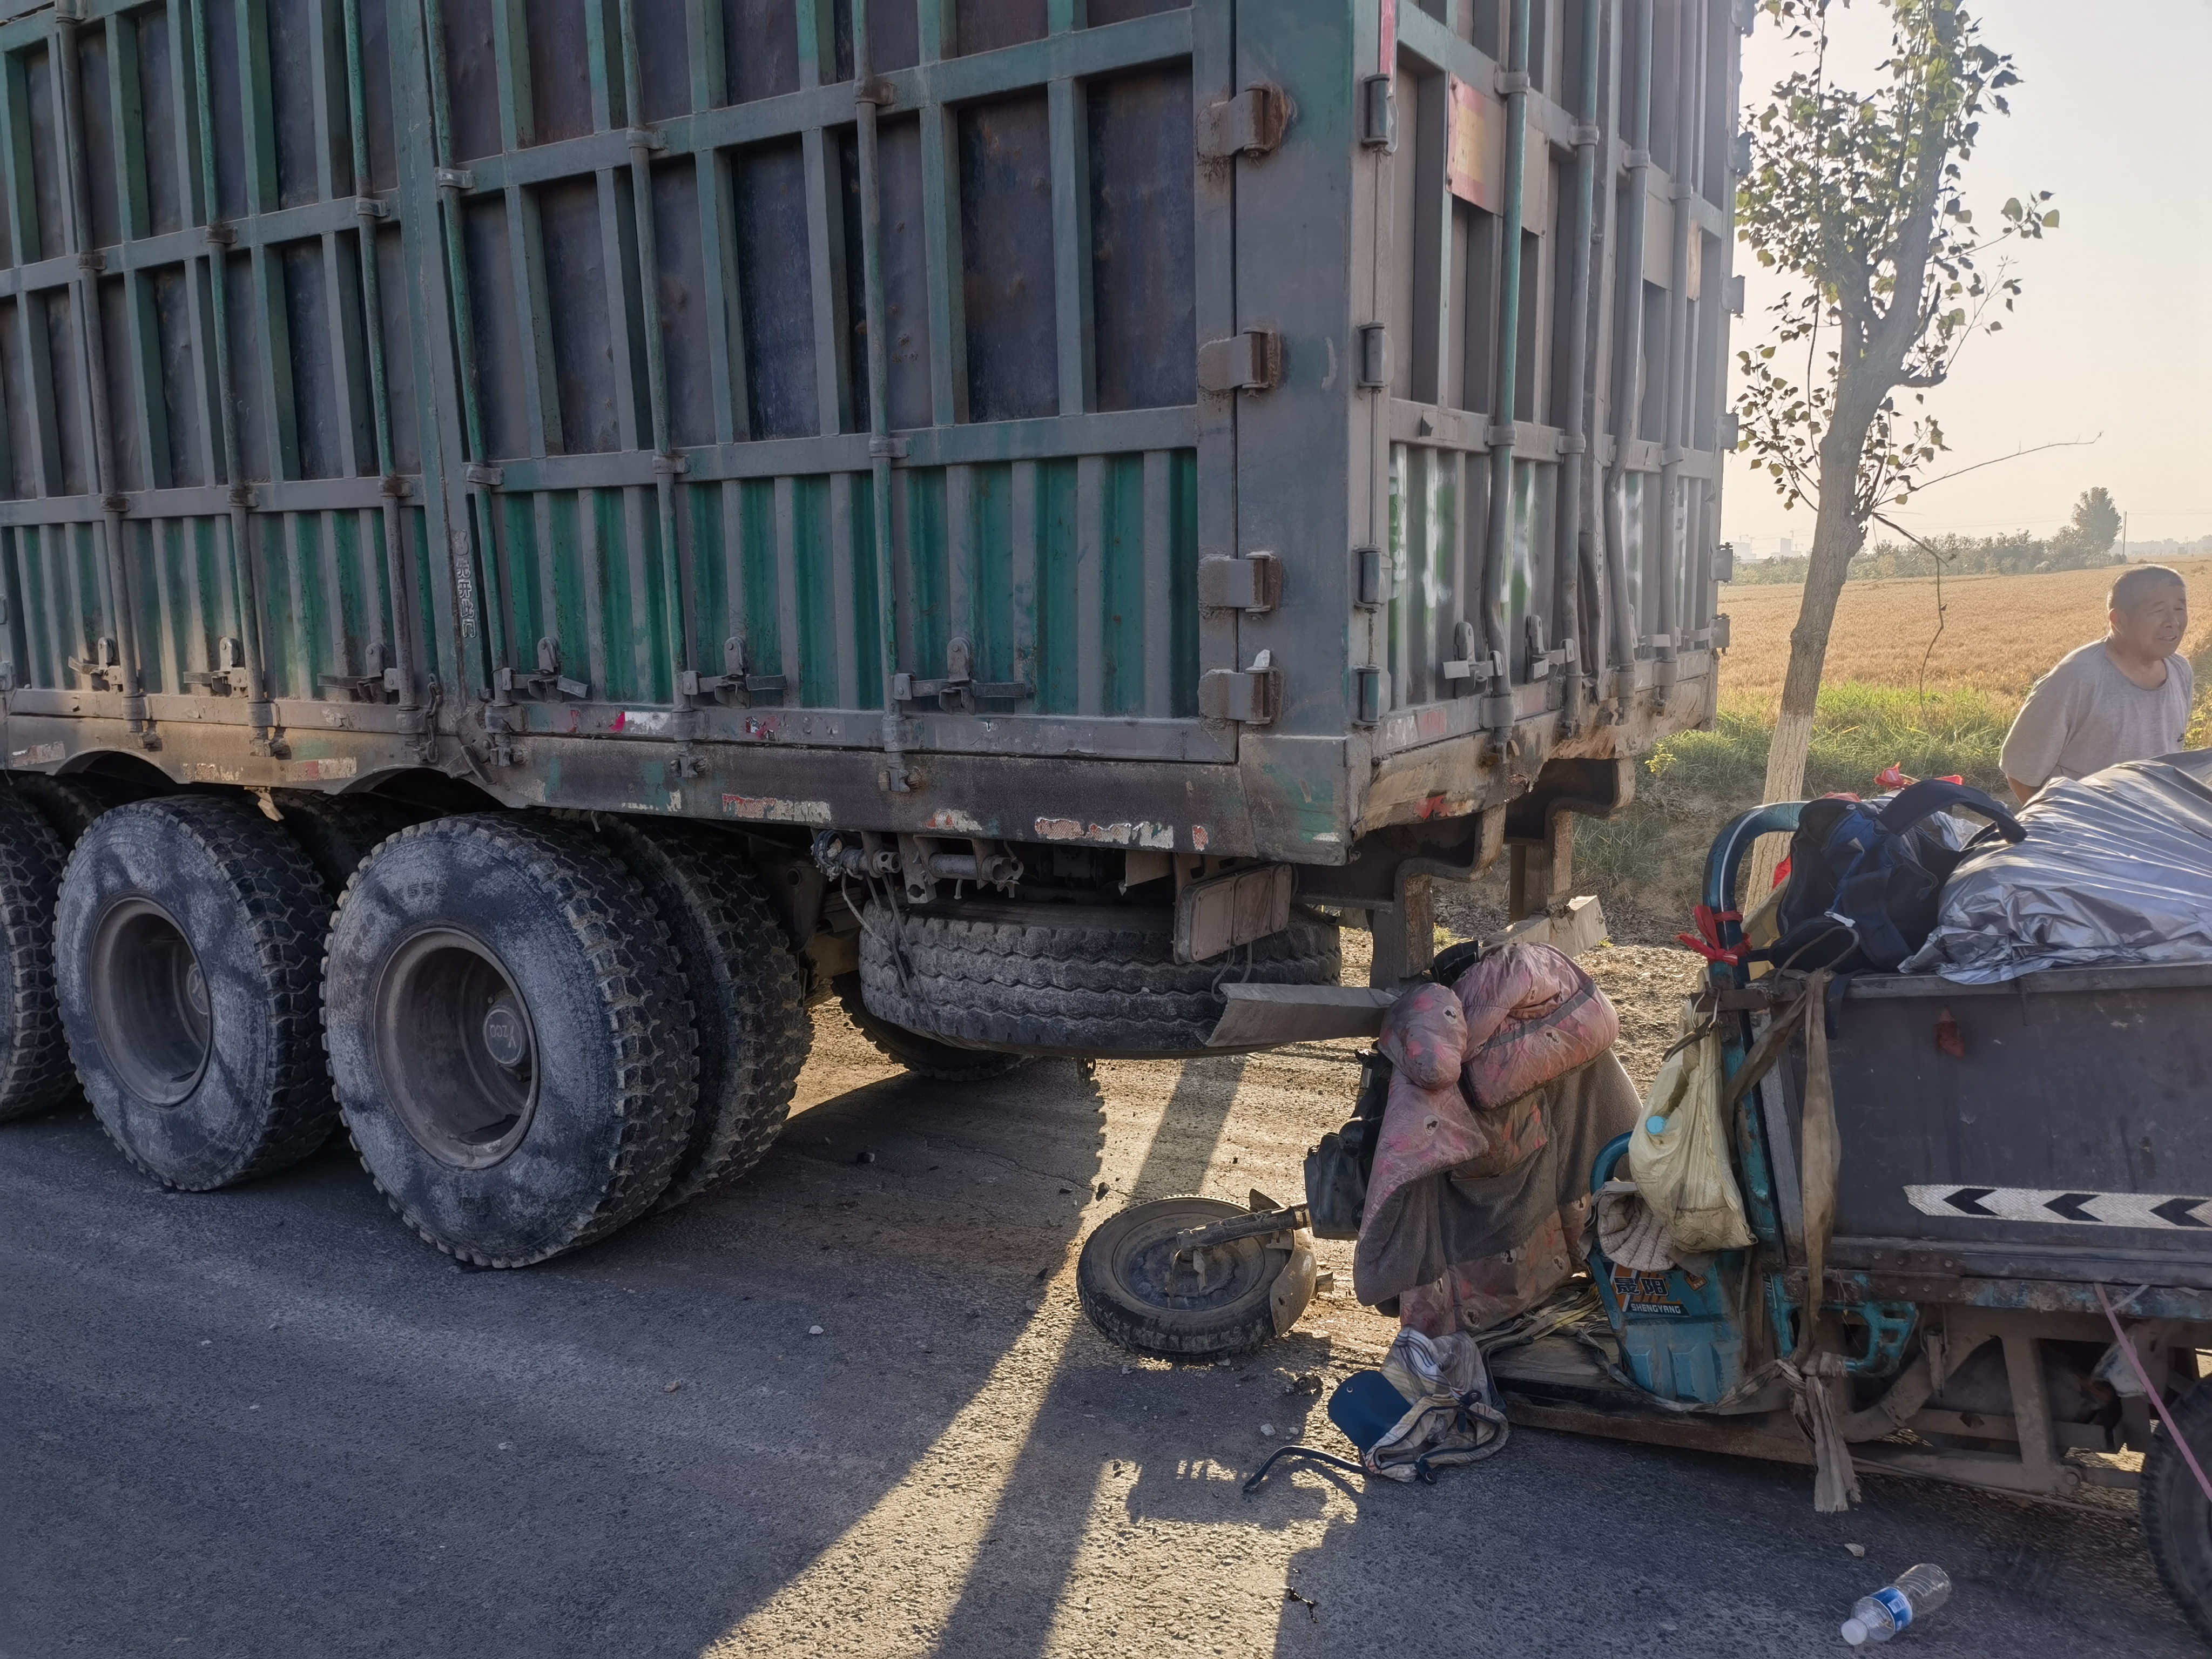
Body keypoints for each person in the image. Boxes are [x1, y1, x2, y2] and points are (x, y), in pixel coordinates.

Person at [2000, 565, 2194, 804]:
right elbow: (2021, 773)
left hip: (2156, 821)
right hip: (2089, 829)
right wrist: (2060, 829)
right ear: (2118, 620)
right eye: (2158, 611)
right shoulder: (2076, 678)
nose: (2173, 622)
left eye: (2180, 609)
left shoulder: (2180, 670)